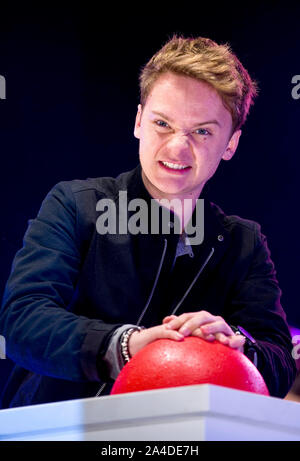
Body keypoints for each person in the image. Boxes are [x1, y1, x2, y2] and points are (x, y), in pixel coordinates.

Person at [0, 35, 296, 408]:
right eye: (162, 123)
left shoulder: (243, 243)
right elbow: (23, 321)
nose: (176, 148)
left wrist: (239, 349)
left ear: (231, 144)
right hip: (60, 428)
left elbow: (280, 363)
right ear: (139, 121)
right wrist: (126, 346)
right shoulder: (76, 204)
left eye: (202, 131)